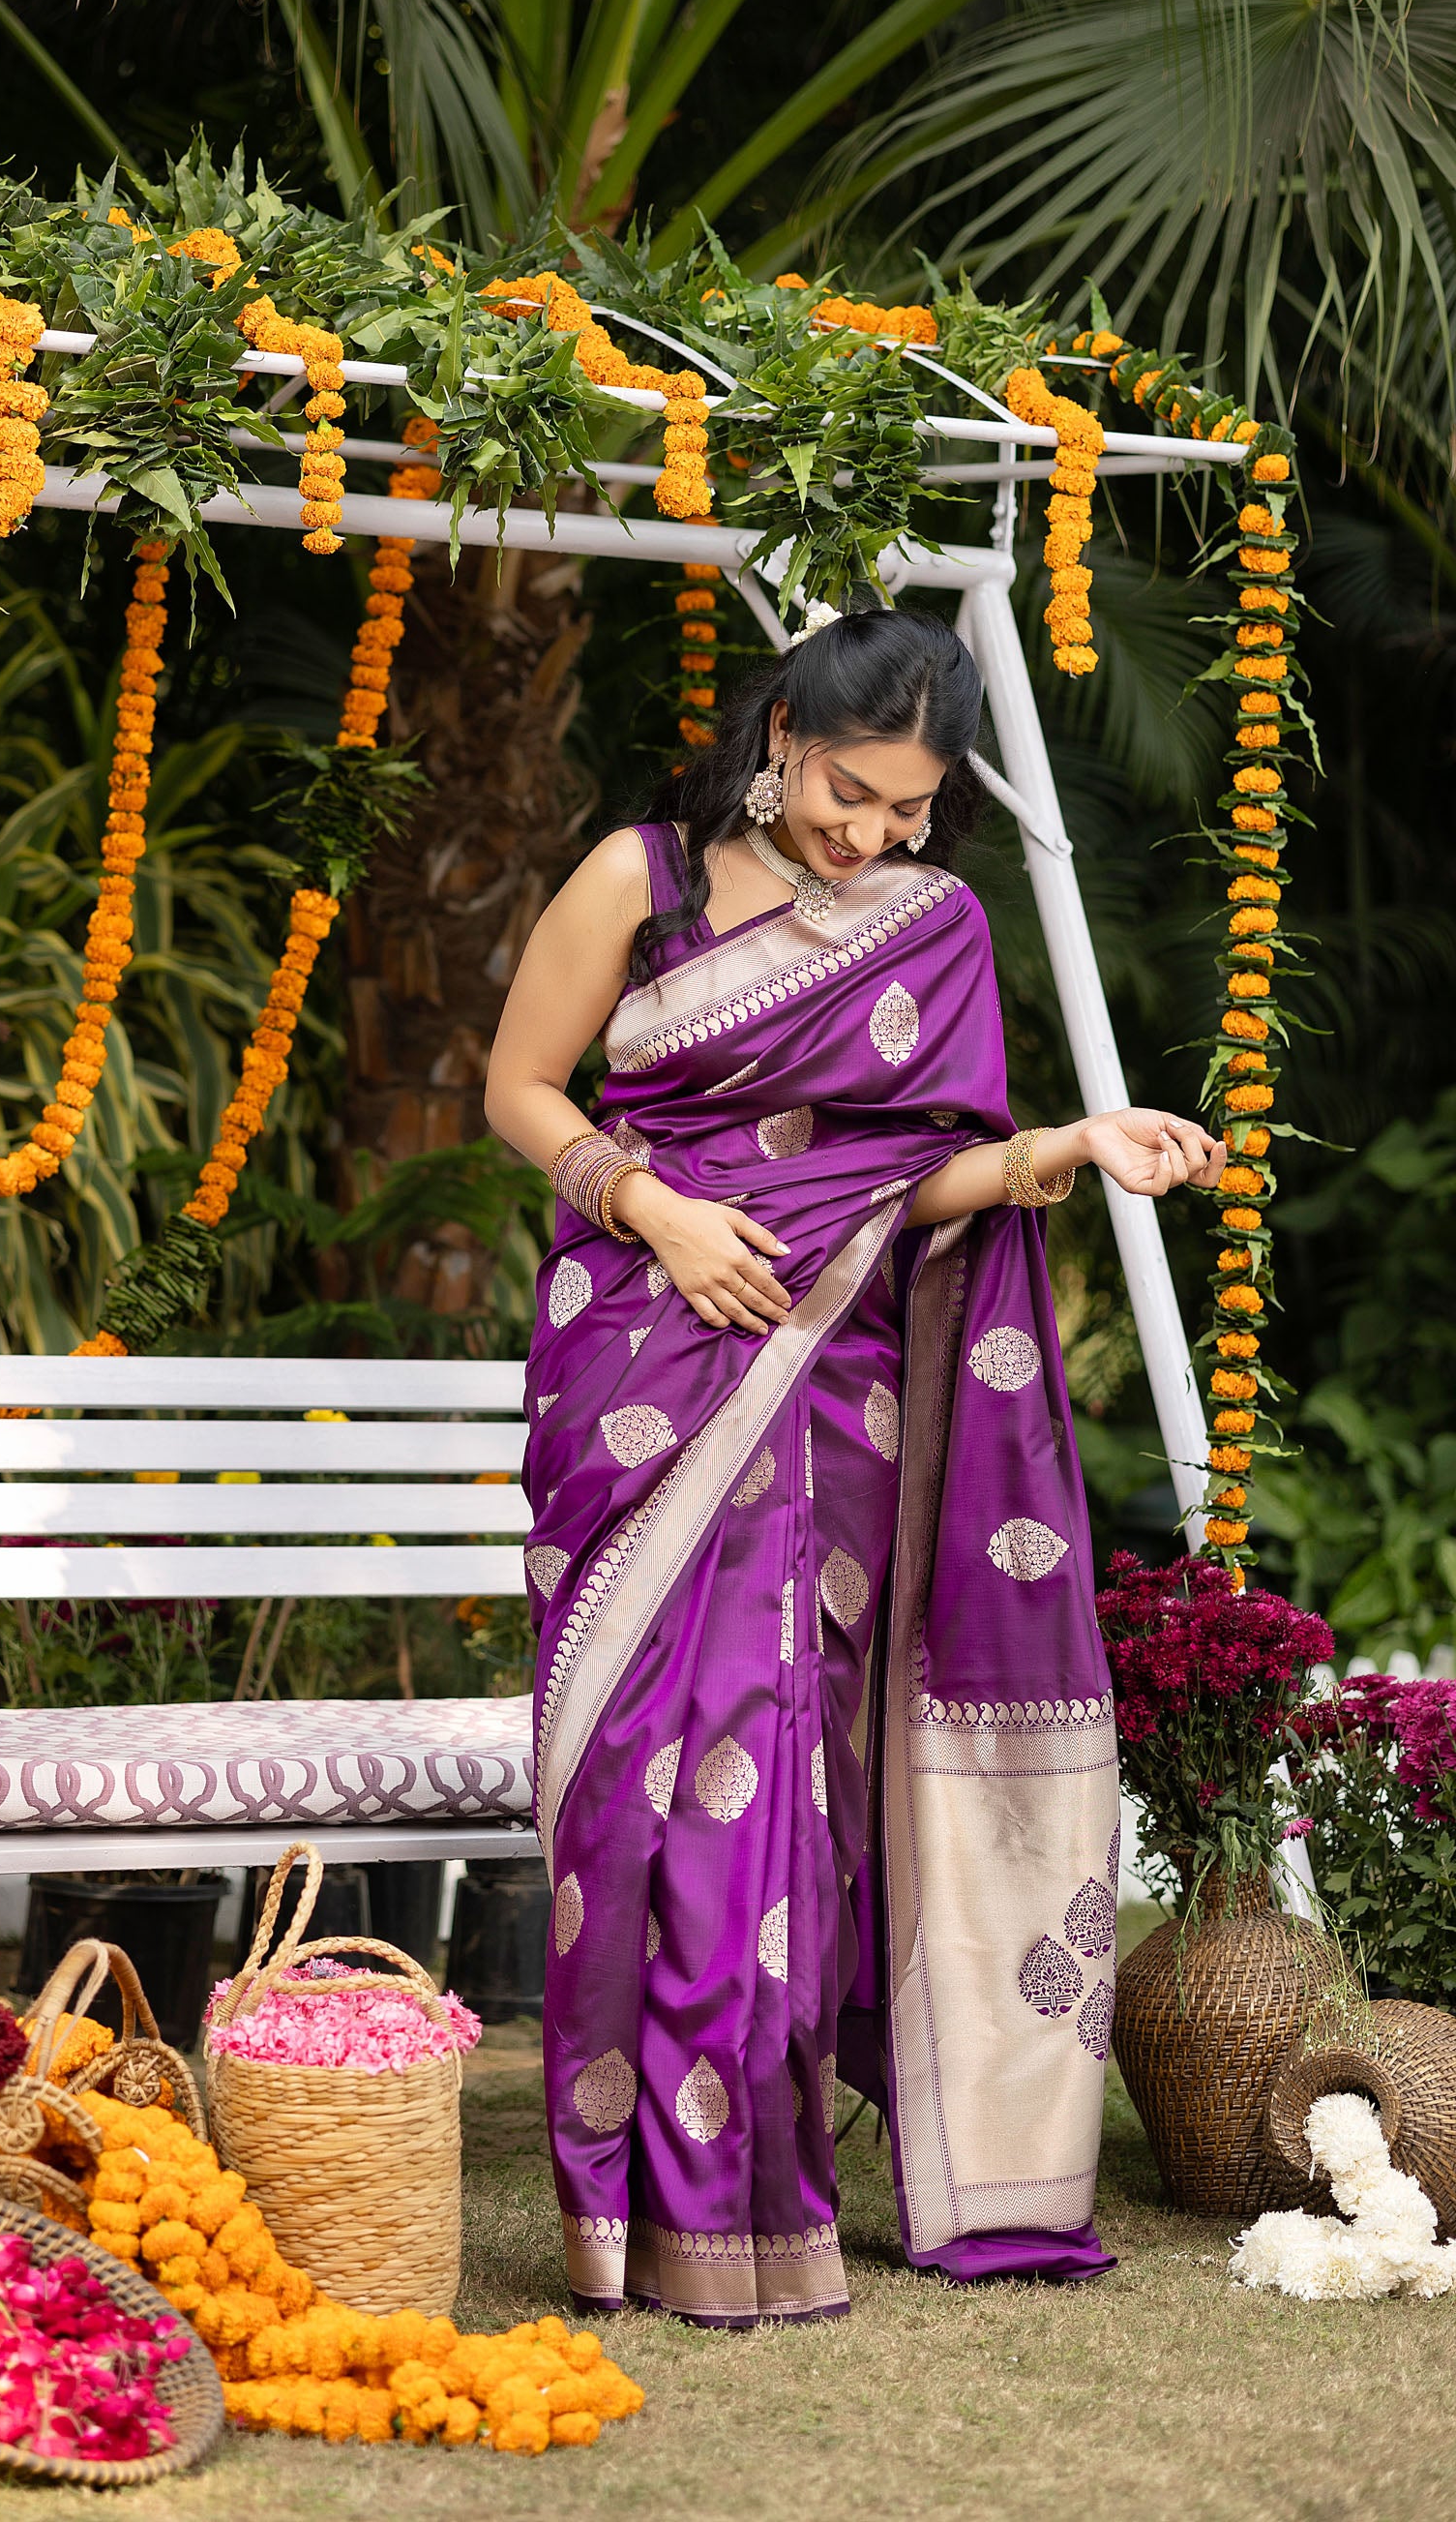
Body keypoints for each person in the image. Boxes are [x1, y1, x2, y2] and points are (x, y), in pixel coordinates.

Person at [483, 599, 1223, 2327]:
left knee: (784, 1769)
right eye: (847, 791)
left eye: (908, 806)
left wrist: (1062, 1146)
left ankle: (750, 2206)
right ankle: (620, 2214)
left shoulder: (934, 923)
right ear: (777, 736)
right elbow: (524, 1089)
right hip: (644, 1348)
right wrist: (660, 1212)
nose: (874, 832)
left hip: (838, 1387)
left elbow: (921, 1176)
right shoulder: (640, 879)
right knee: (632, 1784)